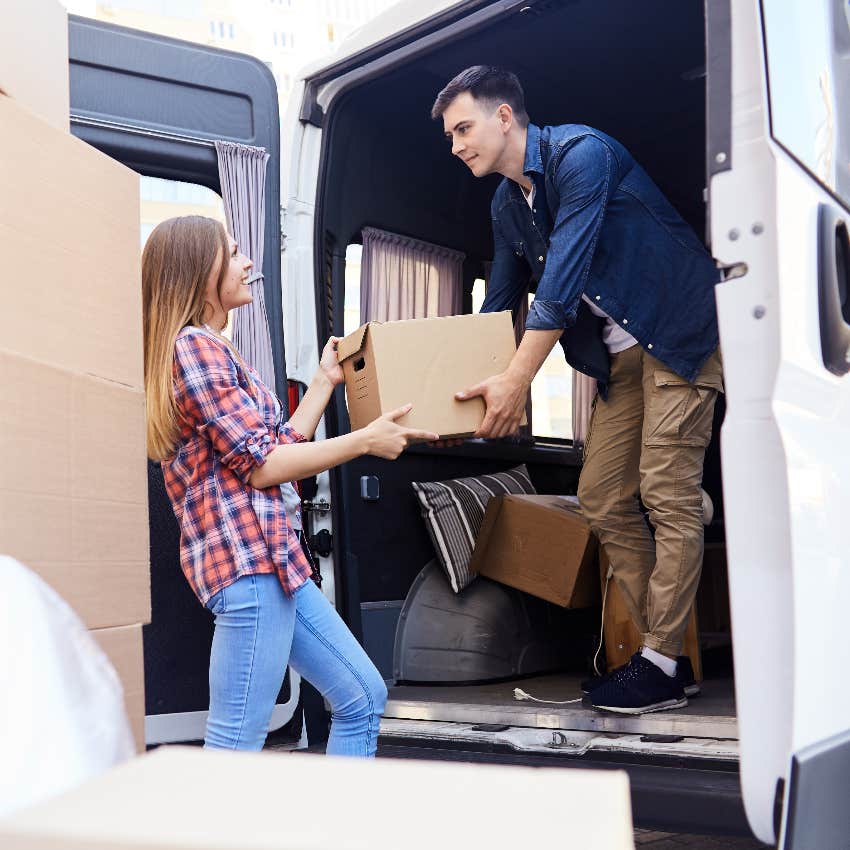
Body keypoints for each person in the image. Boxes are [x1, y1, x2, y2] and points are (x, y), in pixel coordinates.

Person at [432, 67, 723, 715]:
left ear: (505, 116)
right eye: (449, 136)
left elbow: (558, 287)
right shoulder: (506, 206)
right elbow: (499, 310)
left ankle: (659, 662)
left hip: (680, 329)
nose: (456, 146)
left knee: (664, 488)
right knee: (600, 496)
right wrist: (450, 394)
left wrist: (517, 381)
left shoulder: (582, 155)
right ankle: (666, 656)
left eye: (464, 128)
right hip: (621, 359)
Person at [142, 215, 438, 751]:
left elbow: (277, 445)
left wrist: (325, 383)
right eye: (233, 254)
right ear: (198, 271)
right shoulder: (196, 349)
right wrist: (363, 441)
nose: (247, 263)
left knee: (362, 696)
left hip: (275, 565)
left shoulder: (212, 348)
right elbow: (261, 467)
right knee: (236, 743)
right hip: (249, 568)